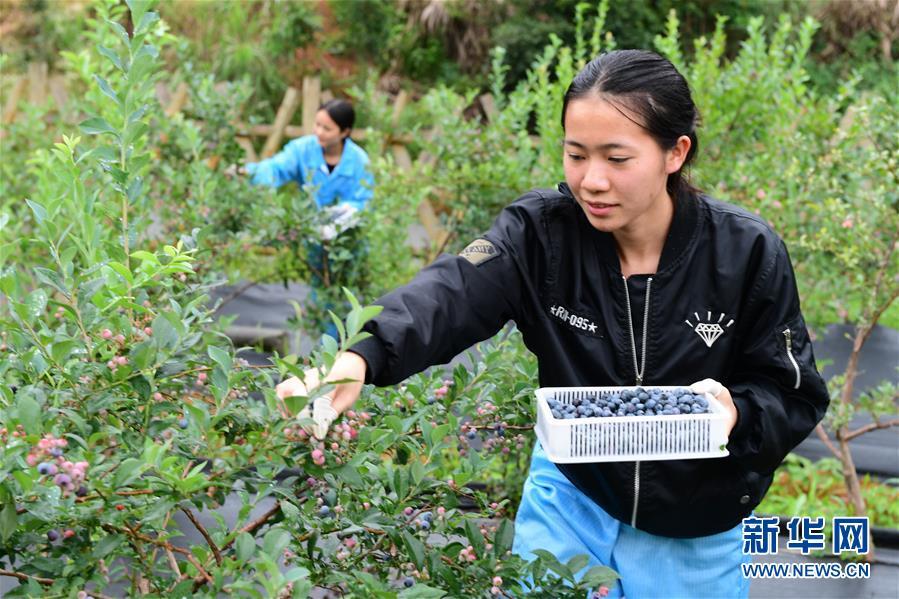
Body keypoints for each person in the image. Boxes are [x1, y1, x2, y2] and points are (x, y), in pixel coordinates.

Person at [275, 50, 830, 598]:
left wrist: (737, 413)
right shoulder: (541, 235)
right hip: (571, 495)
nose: (591, 181)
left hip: (692, 523)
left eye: (617, 159)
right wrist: (356, 357)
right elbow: (450, 292)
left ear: (674, 152)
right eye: (575, 154)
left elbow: (793, 393)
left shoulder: (744, 253)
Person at [242, 98, 375, 330]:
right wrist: (248, 172)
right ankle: (327, 353)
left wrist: (336, 223)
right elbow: (277, 168)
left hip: (348, 246)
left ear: (345, 132)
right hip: (316, 239)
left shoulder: (359, 161)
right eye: (317, 125)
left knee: (348, 298)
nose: (319, 132)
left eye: (327, 128)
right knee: (321, 297)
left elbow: (362, 203)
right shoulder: (304, 149)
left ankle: (348, 352)